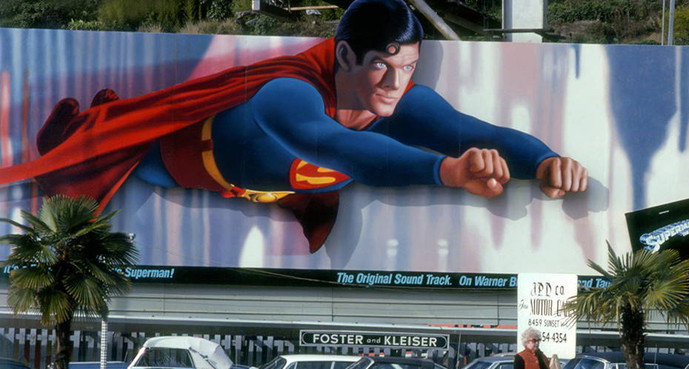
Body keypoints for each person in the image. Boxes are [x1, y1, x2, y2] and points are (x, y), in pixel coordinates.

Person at [0, 0, 587, 253]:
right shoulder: (288, 92)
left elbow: (469, 127)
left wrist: (543, 161)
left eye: (407, 68)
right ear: (344, 55)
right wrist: (448, 171)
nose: (395, 83)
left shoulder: (406, 102)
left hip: (277, 186)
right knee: (110, 149)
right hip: (176, 160)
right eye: (382, 65)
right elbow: (338, 148)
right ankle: (87, 127)